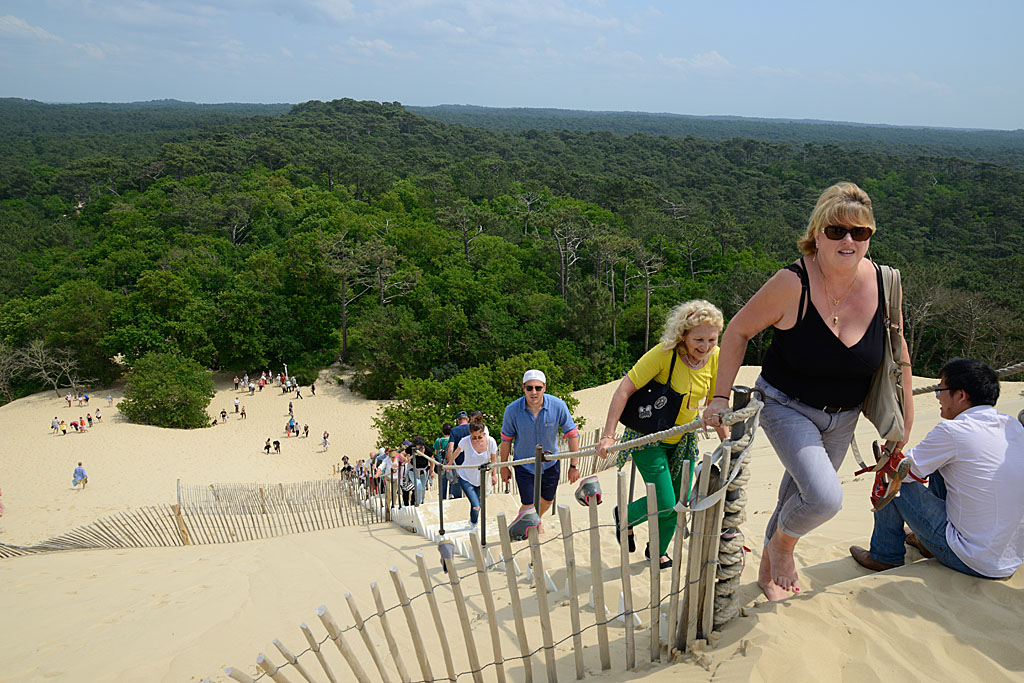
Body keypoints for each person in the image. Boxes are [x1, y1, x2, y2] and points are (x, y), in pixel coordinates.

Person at [701, 181, 914, 601]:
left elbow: (899, 348)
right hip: (785, 404)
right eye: (837, 231)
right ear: (817, 233)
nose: (848, 240)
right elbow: (739, 330)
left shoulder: (887, 282)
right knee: (822, 496)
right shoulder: (792, 283)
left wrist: (904, 418)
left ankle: (766, 570)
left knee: (798, 492)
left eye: (860, 232)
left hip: (846, 414)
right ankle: (783, 548)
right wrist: (721, 398)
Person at [850, 358, 1024, 578]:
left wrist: (890, 459)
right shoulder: (1013, 426)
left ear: (961, 395)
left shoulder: (954, 431)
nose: (938, 397)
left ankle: (884, 556)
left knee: (891, 478)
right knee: (942, 466)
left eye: (940, 389)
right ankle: (924, 541)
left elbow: (902, 472)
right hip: (1010, 559)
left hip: (974, 559)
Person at [596, 300, 728, 569]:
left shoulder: (715, 357)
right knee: (666, 502)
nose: (705, 346)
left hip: (683, 440)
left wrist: (729, 443)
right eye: (698, 339)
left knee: (680, 502)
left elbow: (716, 404)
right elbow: (624, 390)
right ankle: (626, 515)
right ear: (684, 334)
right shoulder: (664, 353)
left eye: (712, 339)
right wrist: (609, 435)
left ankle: (656, 550)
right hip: (648, 438)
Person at [499, 369, 581, 521]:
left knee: (548, 500)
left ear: (544, 387)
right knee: (528, 503)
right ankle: (529, 526)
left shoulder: (558, 405)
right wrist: (504, 466)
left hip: (551, 463)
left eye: (538, 388)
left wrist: (573, 466)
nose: (534, 392)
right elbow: (506, 440)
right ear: (524, 388)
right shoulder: (511, 410)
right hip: (524, 464)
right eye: (529, 388)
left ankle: (533, 521)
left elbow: (572, 434)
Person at [450, 420, 499, 528]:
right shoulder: (465, 441)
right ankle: (474, 524)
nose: (477, 440)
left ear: (484, 433)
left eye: (479, 437)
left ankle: (473, 522)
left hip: (481, 478)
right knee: (476, 505)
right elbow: (457, 451)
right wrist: (449, 464)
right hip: (466, 477)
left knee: (478, 504)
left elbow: (493, 459)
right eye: (474, 437)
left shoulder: (491, 442)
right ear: (470, 434)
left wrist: (494, 475)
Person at [434, 423, 456, 500]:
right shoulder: (453, 440)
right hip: (451, 462)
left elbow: (436, 453)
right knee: (452, 478)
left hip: (441, 463)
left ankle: (442, 497)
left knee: (443, 480)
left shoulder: (438, 441)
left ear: (442, 432)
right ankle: (451, 494)